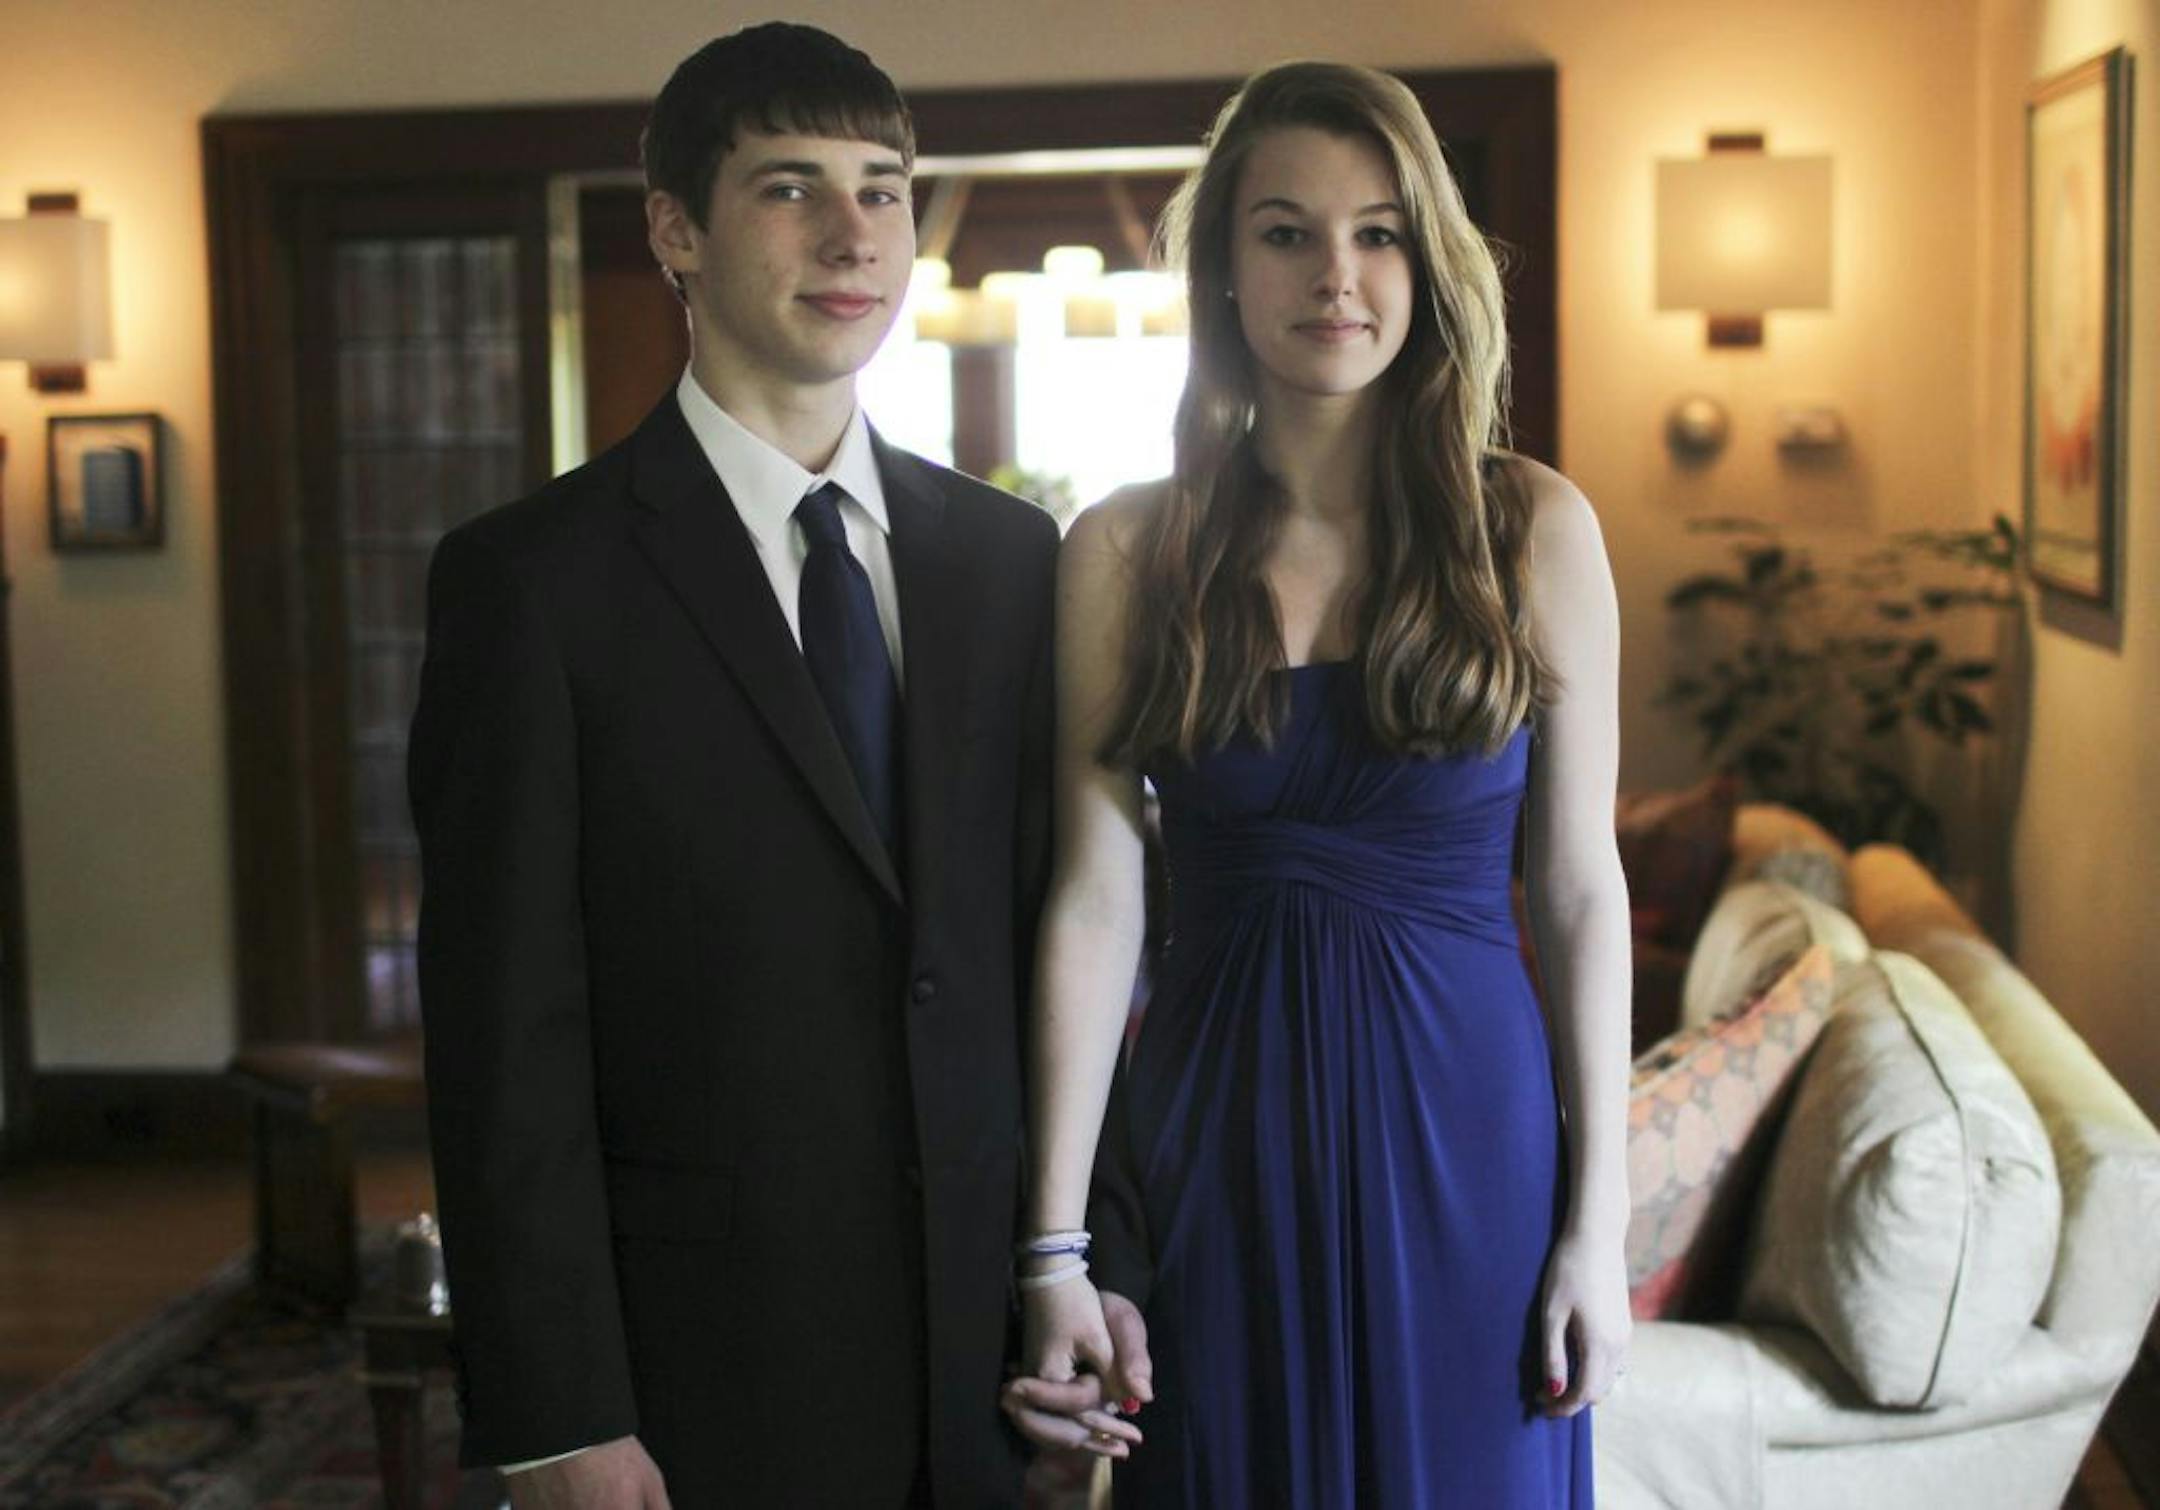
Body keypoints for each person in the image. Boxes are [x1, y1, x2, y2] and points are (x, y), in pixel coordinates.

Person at [408, 24, 1063, 1507]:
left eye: (885, 190)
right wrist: (558, 1411)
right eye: (790, 188)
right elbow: (505, 1032)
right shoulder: (531, 584)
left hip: (987, 1356)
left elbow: (1063, 940)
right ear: (674, 231)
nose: (854, 236)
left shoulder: (1011, 562)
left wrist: (1090, 1263)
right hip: (703, 1363)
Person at [1003, 61, 1632, 1505]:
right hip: (1216, 1146)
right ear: (1223, 267)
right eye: (1285, 231)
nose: (1334, 275)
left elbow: (1583, 892)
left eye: (1378, 232)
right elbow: (1093, 904)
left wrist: (1596, 1226)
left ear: (1429, 262)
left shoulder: (1534, 528)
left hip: (1472, 1146)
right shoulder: (1123, 550)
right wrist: (1057, 1249)